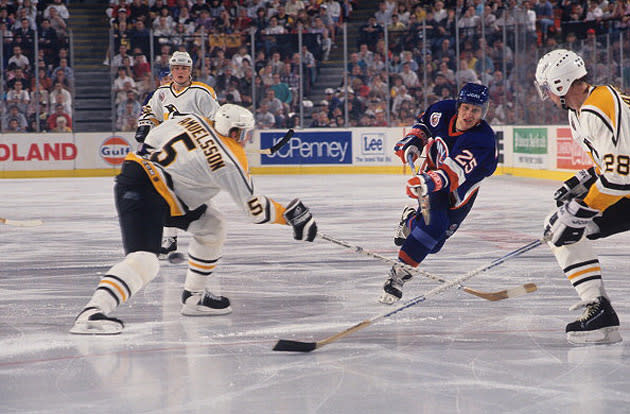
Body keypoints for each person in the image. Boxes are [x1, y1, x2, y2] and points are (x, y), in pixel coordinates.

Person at [70, 104, 318, 335]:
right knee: (145, 260)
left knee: (212, 225)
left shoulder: (193, 119)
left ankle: (194, 298)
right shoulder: (231, 160)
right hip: (147, 190)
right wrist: (289, 216)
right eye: (244, 133)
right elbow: (255, 211)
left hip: (152, 182)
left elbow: (151, 140)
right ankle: (92, 312)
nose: (246, 138)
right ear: (234, 131)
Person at [534, 49, 629, 345]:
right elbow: (613, 162)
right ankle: (599, 312)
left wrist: (581, 208)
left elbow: (620, 178)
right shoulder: (582, 110)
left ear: (560, 85)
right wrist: (586, 178)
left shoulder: (598, 107)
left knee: (566, 225)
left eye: (547, 88)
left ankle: (600, 311)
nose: (546, 95)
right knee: (560, 228)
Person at [379, 83, 498, 305]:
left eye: (476, 110)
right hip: (432, 179)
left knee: (434, 244)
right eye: (465, 108)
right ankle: (398, 276)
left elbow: (452, 174)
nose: (469, 114)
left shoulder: (483, 140)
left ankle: (410, 221)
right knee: (433, 227)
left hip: (459, 193)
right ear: (458, 105)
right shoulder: (442, 110)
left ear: (484, 112)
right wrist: (414, 141)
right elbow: (424, 125)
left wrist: (425, 181)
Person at [135, 51, 220, 259]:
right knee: (166, 193)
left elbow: (217, 117)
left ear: (190, 70)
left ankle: (209, 236)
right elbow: (150, 112)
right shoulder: (162, 92)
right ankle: (169, 239)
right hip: (170, 151)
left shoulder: (201, 92)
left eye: (184, 68)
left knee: (201, 196)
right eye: (176, 68)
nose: (180, 72)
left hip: (195, 152)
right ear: (171, 70)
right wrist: (145, 124)